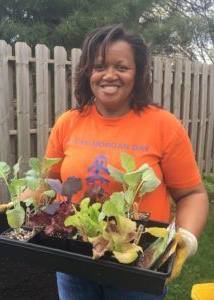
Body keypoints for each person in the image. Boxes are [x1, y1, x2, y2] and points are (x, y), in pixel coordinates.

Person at [44, 24, 209, 300]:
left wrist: (186, 238)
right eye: (99, 66)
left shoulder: (163, 126)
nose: (109, 75)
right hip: (74, 262)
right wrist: (16, 207)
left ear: (138, 73)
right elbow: (47, 182)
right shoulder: (68, 122)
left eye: (121, 67)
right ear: (88, 73)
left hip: (138, 268)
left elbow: (192, 194)